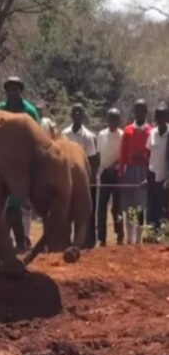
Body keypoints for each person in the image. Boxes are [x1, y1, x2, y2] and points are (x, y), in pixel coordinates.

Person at [0, 76, 40, 253]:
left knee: (14, 204)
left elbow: (37, 138)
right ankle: (9, 243)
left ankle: (18, 243)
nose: (12, 93)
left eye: (16, 89)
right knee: (0, 205)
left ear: (20, 91)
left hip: (21, 164)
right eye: (9, 89)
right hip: (0, 162)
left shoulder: (29, 111)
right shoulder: (0, 109)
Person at [62, 103, 99, 248]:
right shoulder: (64, 134)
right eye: (74, 111)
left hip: (82, 179)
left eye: (80, 112)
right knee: (66, 209)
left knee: (81, 210)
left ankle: (81, 243)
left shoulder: (88, 136)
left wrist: (89, 180)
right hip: (66, 178)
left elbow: (91, 160)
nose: (77, 114)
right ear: (71, 115)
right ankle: (65, 241)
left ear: (83, 116)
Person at [119, 99, 151, 244]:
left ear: (146, 112)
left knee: (140, 206)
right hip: (129, 171)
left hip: (144, 171)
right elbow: (123, 153)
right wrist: (121, 172)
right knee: (129, 205)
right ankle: (129, 237)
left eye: (142, 110)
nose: (139, 113)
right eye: (137, 110)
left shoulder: (150, 131)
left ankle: (138, 239)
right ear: (134, 112)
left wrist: (143, 157)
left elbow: (152, 154)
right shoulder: (128, 130)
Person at [96, 108, 124, 245]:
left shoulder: (122, 135)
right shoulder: (101, 135)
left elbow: (124, 155)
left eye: (116, 119)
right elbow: (99, 154)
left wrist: (115, 165)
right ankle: (102, 238)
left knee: (117, 207)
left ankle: (119, 235)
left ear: (119, 121)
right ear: (107, 120)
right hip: (104, 174)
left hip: (117, 174)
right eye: (111, 119)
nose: (113, 122)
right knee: (101, 207)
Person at [146, 102, 168, 231]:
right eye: (158, 116)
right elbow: (149, 153)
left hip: (165, 178)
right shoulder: (152, 133)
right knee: (152, 208)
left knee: (164, 209)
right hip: (152, 175)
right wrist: (147, 175)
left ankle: (163, 237)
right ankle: (151, 237)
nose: (160, 119)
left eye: (162, 116)